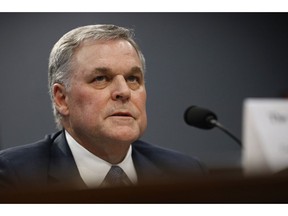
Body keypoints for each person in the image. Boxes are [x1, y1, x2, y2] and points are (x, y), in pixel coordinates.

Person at [0, 24, 206, 191]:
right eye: (101, 78)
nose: (124, 92)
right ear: (62, 99)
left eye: (133, 79)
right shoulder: (16, 176)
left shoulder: (185, 172)